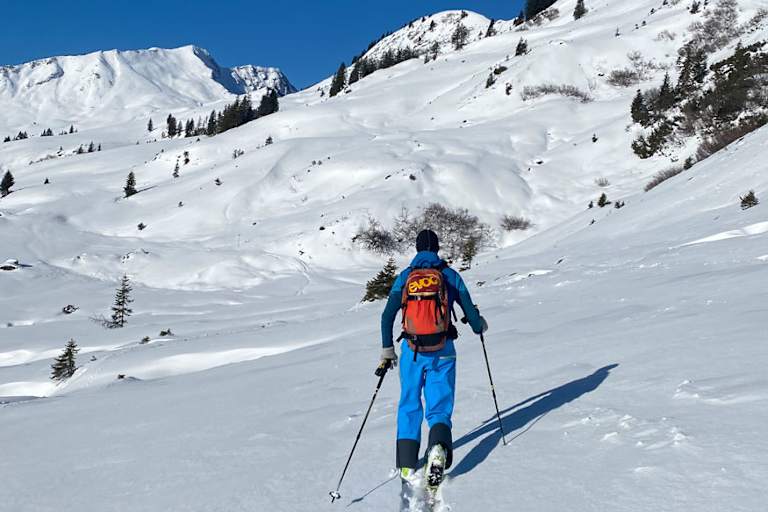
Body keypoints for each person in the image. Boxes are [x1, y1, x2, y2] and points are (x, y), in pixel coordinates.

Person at [379, 229, 487, 487]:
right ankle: (438, 447)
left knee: (409, 402)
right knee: (439, 405)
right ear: (437, 249)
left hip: (412, 352)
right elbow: (469, 310)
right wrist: (478, 325)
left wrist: (387, 349)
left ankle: (406, 463)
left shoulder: (406, 277)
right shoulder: (449, 275)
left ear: (417, 249)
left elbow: (386, 316)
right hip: (444, 349)